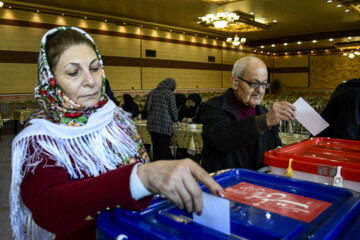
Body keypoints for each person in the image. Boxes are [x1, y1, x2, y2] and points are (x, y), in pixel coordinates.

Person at [9, 27, 224, 240]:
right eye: (74, 72)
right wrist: (139, 178)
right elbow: (51, 208)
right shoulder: (40, 139)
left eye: (94, 68)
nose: (91, 81)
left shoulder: (115, 118)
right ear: (50, 78)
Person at [201, 56, 296, 173]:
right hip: (224, 184)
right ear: (235, 83)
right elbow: (222, 139)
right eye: (254, 84)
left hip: (256, 184)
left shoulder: (264, 112)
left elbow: (274, 147)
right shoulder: (214, 107)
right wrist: (264, 121)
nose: (260, 90)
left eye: (264, 84)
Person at [145, 78, 178, 161]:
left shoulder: (152, 92)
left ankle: (157, 165)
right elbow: (173, 110)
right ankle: (164, 168)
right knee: (163, 149)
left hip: (152, 125)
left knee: (156, 147)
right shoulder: (169, 94)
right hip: (164, 125)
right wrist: (176, 120)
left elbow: (146, 108)